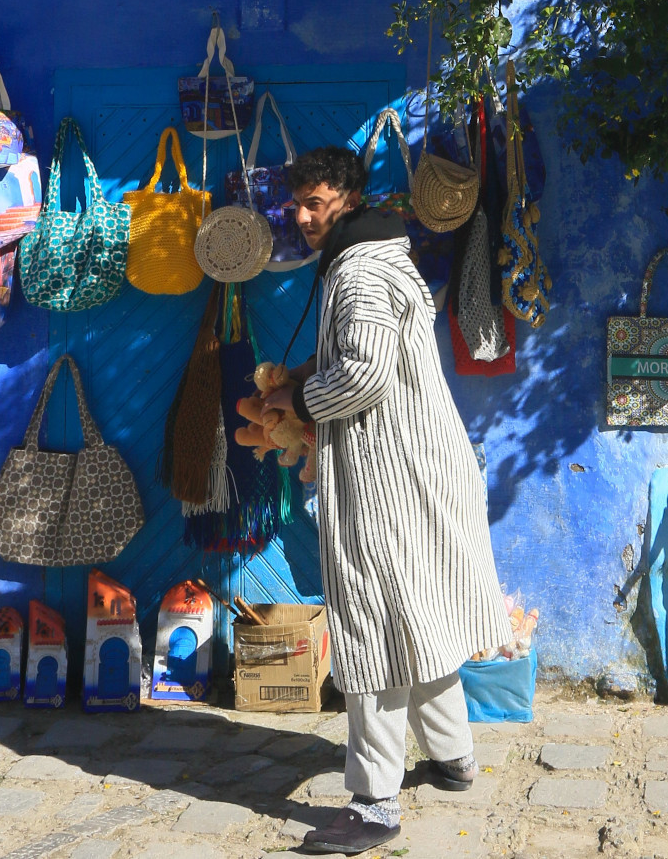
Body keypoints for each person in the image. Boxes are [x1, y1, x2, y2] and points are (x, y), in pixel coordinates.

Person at [250, 144, 509, 856]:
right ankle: (454, 755)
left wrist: (298, 395)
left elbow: (361, 374)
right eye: (296, 204)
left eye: (316, 203)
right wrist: (303, 375)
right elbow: (366, 357)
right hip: (415, 466)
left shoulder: (360, 270)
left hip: (387, 474)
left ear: (348, 197)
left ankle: (372, 803)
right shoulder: (374, 257)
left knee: (371, 626)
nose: (302, 216)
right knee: (416, 610)